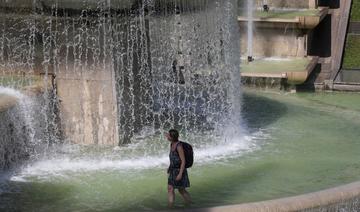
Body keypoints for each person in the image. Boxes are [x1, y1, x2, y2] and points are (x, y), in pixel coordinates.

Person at [165, 129, 192, 207]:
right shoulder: (171, 144)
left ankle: (190, 204)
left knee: (181, 190)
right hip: (173, 170)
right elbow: (173, 158)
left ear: (172, 137)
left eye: (168, 135)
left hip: (180, 170)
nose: (167, 136)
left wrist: (180, 174)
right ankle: (171, 206)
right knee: (170, 188)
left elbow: (183, 161)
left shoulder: (179, 146)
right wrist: (170, 167)